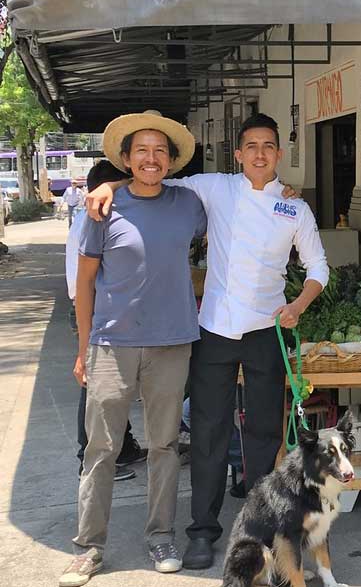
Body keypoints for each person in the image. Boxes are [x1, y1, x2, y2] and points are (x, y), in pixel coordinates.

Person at [87, 112, 329, 570]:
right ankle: (203, 529)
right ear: (238, 154)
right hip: (214, 328)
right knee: (208, 433)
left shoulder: (294, 208)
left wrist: (297, 306)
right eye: (251, 146)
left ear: (279, 154)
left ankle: (259, 533)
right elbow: (154, 183)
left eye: (268, 146)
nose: (260, 153)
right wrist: (110, 186)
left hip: (266, 330)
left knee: (262, 436)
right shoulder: (214, 186)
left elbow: (319, 268)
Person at [60, 112, 207, 587]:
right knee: (102, 448)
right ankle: (88, 547)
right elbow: (84, 284)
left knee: (164, 445)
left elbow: (238, 195)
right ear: (125, 159)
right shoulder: (101, 209)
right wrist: (84, 348)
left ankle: (160, 534)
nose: (151, 158)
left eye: (160, 151)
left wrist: (282, 195)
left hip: (171, 344)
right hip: (111, 344)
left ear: (171, 161)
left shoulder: (189, 204)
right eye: (141, 150)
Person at [65, 160, 147, 483]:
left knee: (117, 388)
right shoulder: (92, 221)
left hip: (108, 313)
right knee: (95, 389)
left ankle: (123, 447)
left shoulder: (102, 217)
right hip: (95, 313)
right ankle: (86, 457)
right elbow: (82, 283)